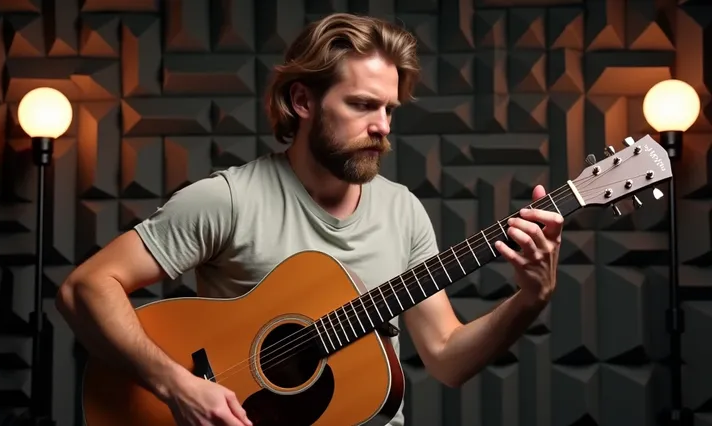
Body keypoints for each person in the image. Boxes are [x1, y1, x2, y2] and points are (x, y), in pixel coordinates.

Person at [55, 12, 564, 426]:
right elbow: (86, 288)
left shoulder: (403, 210)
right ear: (302, 100)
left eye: (389, 109)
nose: (382, 127)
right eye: (363, 105)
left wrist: (530, 297)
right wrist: (177, 385)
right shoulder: (229, 199)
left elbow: (448, 357)